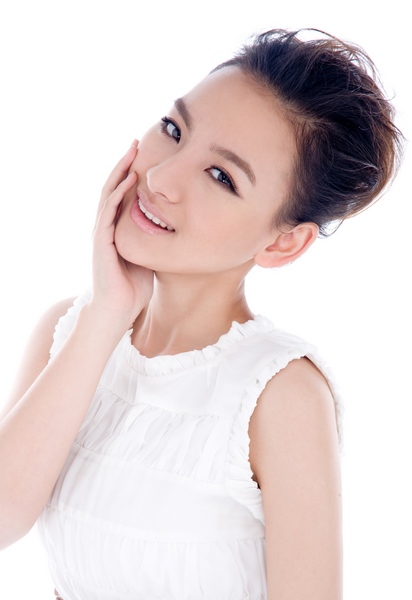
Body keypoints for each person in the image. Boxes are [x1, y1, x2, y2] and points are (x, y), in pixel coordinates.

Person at [0, 28, 402, 600]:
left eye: (221, 177)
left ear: (283, 243)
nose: (160, 179)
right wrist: (107, 314)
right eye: (173, 129)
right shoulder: (69, 330)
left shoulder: (280, 394)